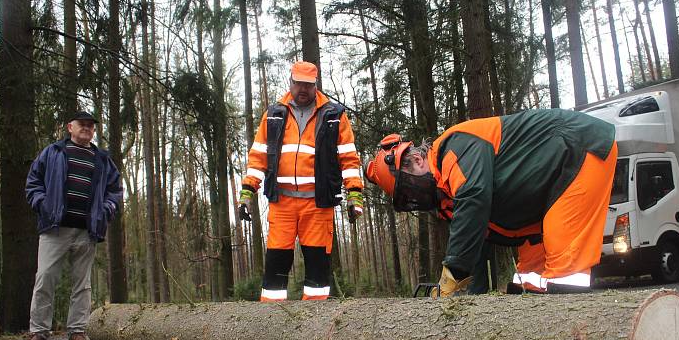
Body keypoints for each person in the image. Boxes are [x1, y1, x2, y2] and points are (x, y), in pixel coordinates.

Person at [365, 108, 617, 297]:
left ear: (419, 160)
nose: (414, 197)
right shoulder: (448, 195)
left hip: (577, 150)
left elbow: (474, 199)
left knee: (566, 270)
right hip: (537, 201)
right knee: (528, 279)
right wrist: (470, 287)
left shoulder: (455, 147)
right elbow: (476, 232)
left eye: (409, 187)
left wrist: (454, 272)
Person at [239, 61, 364, 302]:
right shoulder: (274, 114)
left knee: (318, 270)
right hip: (282, 204)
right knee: (276, 265)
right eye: (298, 83)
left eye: (307, 84)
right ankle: (270, 322)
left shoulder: (334, 115)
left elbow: (349, 158)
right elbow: (258, 158)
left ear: (315, 85)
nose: (302, 89)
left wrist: (355, 194)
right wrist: (247, 191)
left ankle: (314, 328)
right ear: (291, 82)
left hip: (318, 205)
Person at [22, 111, 123, 340]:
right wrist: (43, 204)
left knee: (83, 284)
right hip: (54, 228)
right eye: (82, 124)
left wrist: (106, 209)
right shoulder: (53, 152)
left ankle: (77, 333)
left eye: (91, 125)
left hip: (86, 230)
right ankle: (39, 333)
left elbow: (115, 189)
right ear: (70, 127)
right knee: (45, 277)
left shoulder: (102, 158)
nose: (87, 128)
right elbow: (33, 182)